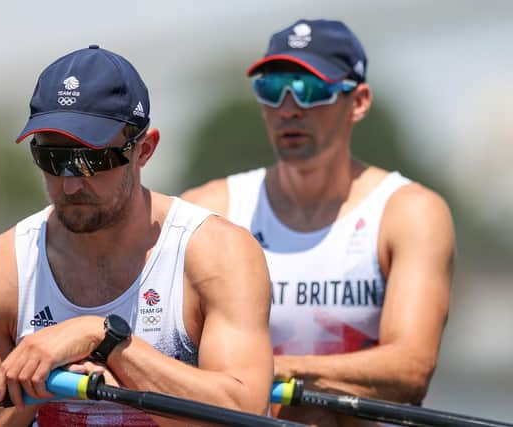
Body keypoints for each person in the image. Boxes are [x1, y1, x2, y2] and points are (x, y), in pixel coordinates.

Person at [0, 45, 273, 426]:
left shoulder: (217, 253)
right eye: (52, 159)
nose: (70, 186)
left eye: (92, 160)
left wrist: (104, 340)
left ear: (144, 149)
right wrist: (38, 385)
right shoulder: (5, 265)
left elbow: (243, 412)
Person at [182, 19, 454, 427]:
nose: (288, 108)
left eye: (310, 89)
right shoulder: (209, 208)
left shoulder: (410, 212)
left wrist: (259, 369)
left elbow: (410, 369)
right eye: (272, 90)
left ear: (358, 101)